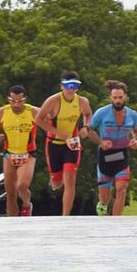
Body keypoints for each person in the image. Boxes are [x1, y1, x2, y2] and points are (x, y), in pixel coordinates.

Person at [36, 73, 92, 217]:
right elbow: (38, 119)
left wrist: (86, 127)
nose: (71, 89)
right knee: (57, 182)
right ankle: (53, 180)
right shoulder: (53, 101)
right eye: (68, 86)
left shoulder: (82, 101)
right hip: (54, 143)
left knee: (70, 178)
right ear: (61, 86)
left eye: (75, 86)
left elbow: (87, 114)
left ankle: (65, 216)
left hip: (72, 143)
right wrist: (56, 132)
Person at [85, 80, 137, 216]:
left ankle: (116, 222)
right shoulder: (102, 113)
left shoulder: (133, 114)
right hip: (105, 156)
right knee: (105, 197)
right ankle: (102, 204)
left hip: (122, 155)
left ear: (126, 97)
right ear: (110, 98)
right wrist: (100, 142)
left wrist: (136, 140)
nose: (118, 101)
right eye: (115, 98)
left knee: (122, 189)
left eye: (120, 98)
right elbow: (89, 130)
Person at [0, 85, 38, 216]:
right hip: (9, 154)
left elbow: (49, 122)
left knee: (22, 186)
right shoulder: (2, 111)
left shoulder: (33, 111)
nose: (16, 104)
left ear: (25, 100)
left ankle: (27, 204)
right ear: (8, 99)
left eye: (20, 101)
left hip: (28, 154)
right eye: (13, 101)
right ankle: (13, 221)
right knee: (10, 194)